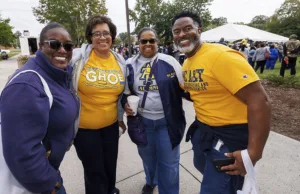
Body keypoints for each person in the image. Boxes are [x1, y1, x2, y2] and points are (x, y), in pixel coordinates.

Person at [171, 11, 271, 194]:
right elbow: (199, 93)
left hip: (229, 137)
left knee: (215, 188)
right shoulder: (187, 63)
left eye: (187, 29)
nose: (181, 34)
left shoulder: (220, 55)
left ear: (199, 30)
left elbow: (260, 100)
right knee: (206, 170)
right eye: (176, 32)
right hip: (205, 132)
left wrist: (253, 153)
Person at [0, 22, 79, 194]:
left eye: (68, 46)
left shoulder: (58, 75)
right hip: (35, 182)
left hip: (48, 168)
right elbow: (21, 151)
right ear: (41, 46)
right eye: (54, 44)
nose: (62, 50)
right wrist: (48, 184)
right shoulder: (27, 85)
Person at [122, 27, 186, 194]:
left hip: (168, 122)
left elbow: (185, 88)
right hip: (142, 122)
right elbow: (124, 93)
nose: (148, 44)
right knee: (148, 160)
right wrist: (125, 105)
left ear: (157, 42)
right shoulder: (129, 64)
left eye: (152, 40)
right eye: (144, 41)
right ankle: (151, 181)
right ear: (138, 43)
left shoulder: (170, 62)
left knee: (170, 164)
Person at [70, 15, 126, 194]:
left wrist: (120, 117)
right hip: (85, 128)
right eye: (97, 34)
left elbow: (122, 93)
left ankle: (110, 190)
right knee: (95, 173)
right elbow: (52, 65)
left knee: (110, 167)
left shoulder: (119, 60)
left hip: (110, 126)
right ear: (90, 37)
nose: (102, 37)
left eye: (106, 33)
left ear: (112, 36)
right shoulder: (78, 57)